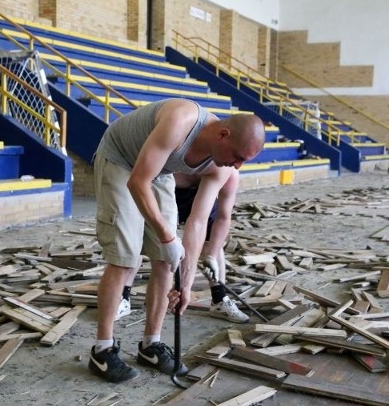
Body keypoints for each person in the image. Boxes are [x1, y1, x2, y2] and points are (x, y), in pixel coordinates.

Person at [88, 98, 265, 383]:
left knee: (165, 261)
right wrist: (168, 236)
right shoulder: (181, 121)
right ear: (223, 135)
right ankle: (102, 350)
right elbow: (137, 182)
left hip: (158, 172)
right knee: (124, 256)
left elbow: (197, 222)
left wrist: (186, 282)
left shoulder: (221, 166)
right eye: (237, 156)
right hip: (122, 160)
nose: (237, 165)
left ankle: (151, 344)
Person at [115, 168, 249, 324]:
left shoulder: (228, 172)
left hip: (201, 194)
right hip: (164, 187)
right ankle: (123, 297)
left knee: (213, 239)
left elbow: (223, 217)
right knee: (140, 236)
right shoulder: (181, 156)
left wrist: (210, 255)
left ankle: (220, 299)